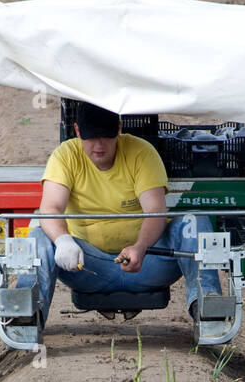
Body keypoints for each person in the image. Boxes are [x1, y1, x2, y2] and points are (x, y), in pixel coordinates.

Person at [26, 101, 222, 325]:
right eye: (91, 136)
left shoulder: (141, 152)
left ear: (119, 128)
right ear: (78, 131)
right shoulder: (65, 156)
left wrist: (140, 247)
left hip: (147, 262)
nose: (99, 145)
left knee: (195, 221)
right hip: (89, 266)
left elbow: (155, 210)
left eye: (107, 136)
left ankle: (206, 306)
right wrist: (63, 241)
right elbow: (51, 207)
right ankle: (28, 313)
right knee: (39, 235)